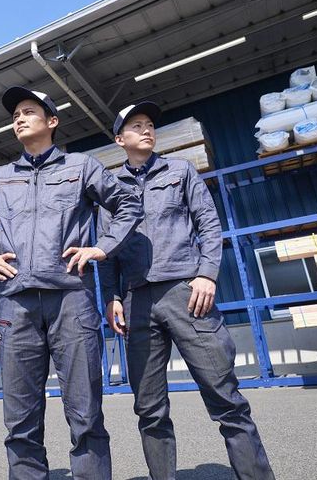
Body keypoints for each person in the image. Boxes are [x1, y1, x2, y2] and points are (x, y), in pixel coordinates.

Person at [0, 86, 143, 480]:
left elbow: (128, 204)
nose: (19, 119)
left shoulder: (81, 167)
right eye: (15, 116)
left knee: (85, 412)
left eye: (28, 112)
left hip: (71, 300)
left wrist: (102, 248)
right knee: (20, 418)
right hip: (16, 305)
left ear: (52, 121)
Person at [98, 102, 274, 480]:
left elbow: (208, 224)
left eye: (149, 124)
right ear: (119, 140)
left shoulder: (180, 171)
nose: (146, 130)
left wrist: (207, 274)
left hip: (185, 292)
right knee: (149, 408)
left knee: (225, 398)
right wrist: (111, 297)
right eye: (136, 126)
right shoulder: (110, 190)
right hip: (136, 300)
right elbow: (106, 251)